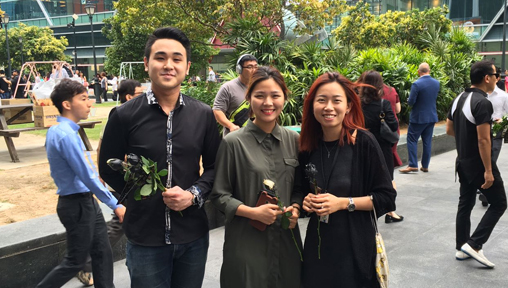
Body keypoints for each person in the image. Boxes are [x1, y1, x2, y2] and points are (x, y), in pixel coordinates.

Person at [99, 27, 221, 288]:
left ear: (187, 67)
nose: (169, 65)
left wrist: (194, 195)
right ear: (146, 64)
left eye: (177, 59)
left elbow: (215, 167)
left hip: (192, 237)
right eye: (160, 57)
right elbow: (108, 167)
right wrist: (141, 194)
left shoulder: (203, 115)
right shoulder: (124, 115)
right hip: (145, 239)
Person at [299, 72, 396, 287]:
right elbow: (300, 189)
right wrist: (305, 202)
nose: (329, 107)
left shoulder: (364, 142)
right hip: (318, 249)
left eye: (336, 100)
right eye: (321, 100)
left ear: (349, 106)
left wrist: (343, 203)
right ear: (312, 104)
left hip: (355, 249)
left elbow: (387, 197)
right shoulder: (308, 145)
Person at [210, 66, 302, 288]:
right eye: (260, 96)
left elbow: (299, 188)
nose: (268, 103)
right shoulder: (233, 143)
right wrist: (252, 212)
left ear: (285, 98)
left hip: (287, 243)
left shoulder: (294, 141)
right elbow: (219, 195)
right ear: (249, 99)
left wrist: (296, 209)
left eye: (275, 96)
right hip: (246, 243)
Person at [35, 79, 126, 288]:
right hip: (76, 204)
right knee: (75, 261)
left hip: (85, 202)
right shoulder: (65, 135)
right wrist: (115, 204)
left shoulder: (64, 131)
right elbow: (86, 175)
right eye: (83, 98)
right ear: (67, 104)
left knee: (102, 253)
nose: (89, 103)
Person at [78, 79, 144, 286]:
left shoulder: (141, 114)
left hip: (138, 179)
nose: (145, 96)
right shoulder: (120, 116)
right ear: (129, 97)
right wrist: (103, 174)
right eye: (140, 93)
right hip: (123, 178)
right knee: (121, 221)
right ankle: (86, 263)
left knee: (125, 221)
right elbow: (103, 147)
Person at [446, 60, 507, 268]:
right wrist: (488, 170)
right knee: (499, 203)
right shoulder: (483, 102)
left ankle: (461, 247)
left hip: (462, 162)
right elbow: (483, 140)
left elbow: (449, 130)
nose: (497, 77)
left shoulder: (459, 99)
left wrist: (466, 139)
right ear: (486, 78)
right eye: (494, 74)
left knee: (465, 204)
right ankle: (474, 244)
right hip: (479, 164)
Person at [357, 70, 403, 223]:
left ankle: (366, 212)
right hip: (382, 148)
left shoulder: (357, 104)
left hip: (361, 147)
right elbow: (394, 124)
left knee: (364, 180)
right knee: (387, 179)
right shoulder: (383, 104)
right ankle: (390, 211)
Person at [400, 62, 440, 173]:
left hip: (418, 117)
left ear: (419, 71)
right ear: (429, 70)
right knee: (427, 141)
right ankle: (425, 165)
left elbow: (411, 102)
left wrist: (408, 101)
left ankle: (413, 164)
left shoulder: (416, 84)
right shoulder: (436, 83)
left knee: (412, 139)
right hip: (431, 116)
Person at [213, 54, 258, 136]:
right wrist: (231, 126)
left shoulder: (260, 86)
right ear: (239, 69)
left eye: (255, 67)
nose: (254, 70)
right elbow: (217, 111)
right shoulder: (227, 88)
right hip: (234, 139)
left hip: (255, 138)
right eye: (249, 67)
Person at [382, 83, 402, 167]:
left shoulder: (369, 93)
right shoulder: (391, 90)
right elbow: (398, 110)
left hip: (378, 128)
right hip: (392, 126)